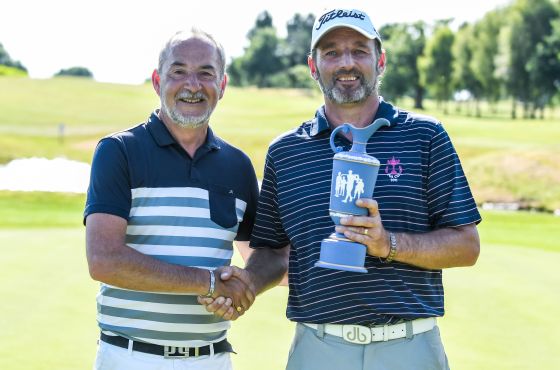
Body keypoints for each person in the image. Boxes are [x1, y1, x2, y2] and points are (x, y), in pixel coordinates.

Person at [202, 7, 481, 370]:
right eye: (331, 52)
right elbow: (272, 252)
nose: (346, 62)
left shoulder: (426, 137)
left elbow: (466, 244)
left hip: (409, 346)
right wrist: (246, 283)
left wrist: (388, 244)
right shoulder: (286, 152)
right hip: (318, 348)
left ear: (380, 60)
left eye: (359, 50)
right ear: (313, 65)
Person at [84, 29, 258, 370]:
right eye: (178, 71)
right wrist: (209, 283)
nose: (192, 85)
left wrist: (246, 287)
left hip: (212, 359)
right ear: (156, 81)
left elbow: (261, 257)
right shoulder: (118, 151)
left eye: (206, 73)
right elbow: (103, 259)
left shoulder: (237, 166)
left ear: (222, 86)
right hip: (129, 358)